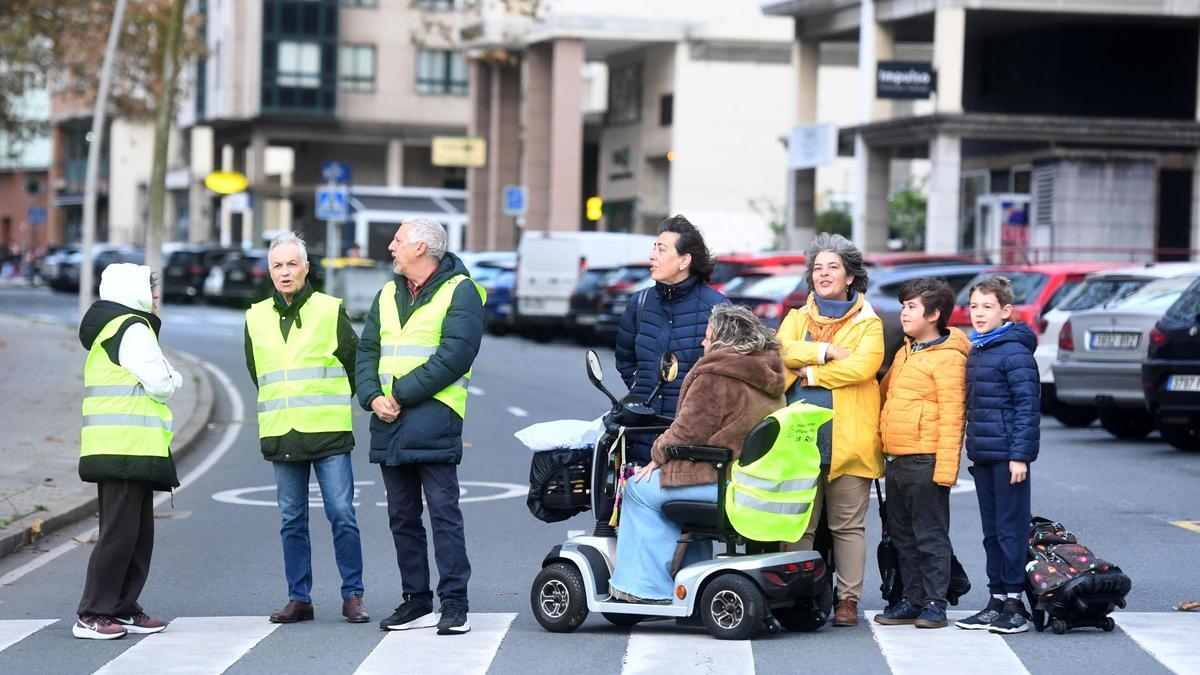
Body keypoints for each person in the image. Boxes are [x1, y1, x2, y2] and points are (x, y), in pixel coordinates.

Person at [356, 217, 485, 635]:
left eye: (398, 240)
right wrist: (372, 396)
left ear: (421, 249)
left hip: (433, 420)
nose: (391, 247)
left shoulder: (460, 291)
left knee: (444, 513)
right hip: (389, 421)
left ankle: (454, 604)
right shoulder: (387, 293)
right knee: (402, 517)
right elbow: (367, 350)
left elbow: (454, 356)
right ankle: (416, 600)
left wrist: (397, 395)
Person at [608, 304, 787, 602]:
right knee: (661, 488)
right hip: (752, 482)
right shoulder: (768, 374)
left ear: (723, 341)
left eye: (707, 337)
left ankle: (643, 587)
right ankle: (690, 582)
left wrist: (657, 454)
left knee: (637, 488)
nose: (702, 343)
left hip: (720, 481)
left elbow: (688, 431)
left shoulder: (716, 376)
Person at [244, 232, 367, 625]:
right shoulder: (255, 316)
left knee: (342, 513)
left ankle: (353, 595)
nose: (284, 272)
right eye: (277, 265)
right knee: (291, 520)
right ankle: (300, 598)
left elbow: (354, 365)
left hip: (328, 433)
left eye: (292, 264)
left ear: (306, 268)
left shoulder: (330, 310)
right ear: (269, 270)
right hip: (282, 433)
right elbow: (257, 372)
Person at [776, 232, 884, 627]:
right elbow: (778, 351)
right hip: (799, 442)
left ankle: (848, 600)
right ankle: (798, 596)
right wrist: (824, 351)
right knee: (798, 523)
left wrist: (808, 372)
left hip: (849, 441)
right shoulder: (797, 317)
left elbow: (862, 368)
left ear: (850, 276)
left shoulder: (868, 323)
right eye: (818, 268)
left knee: (847, 526)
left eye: (833, 267)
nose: (823, 274)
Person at [74, 264, 181, 640]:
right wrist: (168, 376)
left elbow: (161, 378)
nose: (155, 297)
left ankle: (123, 607)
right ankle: (92, 613)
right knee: (119, 536)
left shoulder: (120, 327)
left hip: (129, 449)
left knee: (136, 536)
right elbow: (164, 382)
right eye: (150, 289)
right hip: (122, 450)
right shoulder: (132, 329)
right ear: (133, 291)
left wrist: (166, 375)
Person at [874, 278, 969, 629]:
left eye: (912, 307)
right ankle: (911, 599)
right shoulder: (905, 351)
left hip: (925, 458)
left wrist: (945, 470)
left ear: (934, 314)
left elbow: (953, 416)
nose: (903, 313)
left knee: (930, 534)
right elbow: (886, 400)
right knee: (902, 534)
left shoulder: (949, 358)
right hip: (897, 458)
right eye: (903, 306)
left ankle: (934, 602)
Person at [954, 276, 1039, 634]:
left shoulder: (1014, 350)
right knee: (991, 532)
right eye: (974, 306)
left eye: (987, 307)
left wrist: (1020, 456)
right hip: (985, 454)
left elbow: (1027, 407)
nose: (978, 313)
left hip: (1008, 457)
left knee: (1011, 530)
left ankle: (1015, 605)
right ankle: (995, 599)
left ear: (1005, 311)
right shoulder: (979, 348)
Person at [615, 215, 725, 463]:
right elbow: (625, 359)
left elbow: (727, 372)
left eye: (661, 249)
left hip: (691, 441)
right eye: (653, 248)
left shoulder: (717, 308)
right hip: (641, 434)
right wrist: (641, 389)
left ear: (684, 260)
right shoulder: (639, 303)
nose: (652, 256)